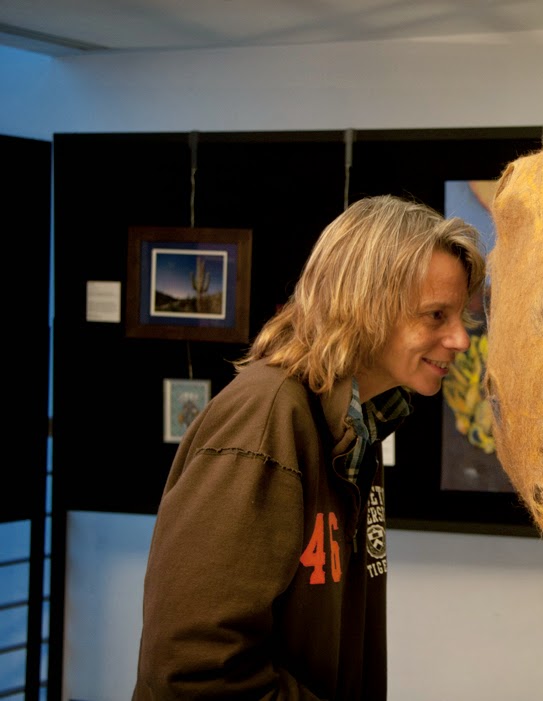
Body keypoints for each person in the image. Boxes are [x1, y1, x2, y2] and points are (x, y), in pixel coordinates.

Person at [133, 195, 486, 700]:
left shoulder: (358, 424)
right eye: (435, 316)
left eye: (459, 316)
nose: (460, 339)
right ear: (366, 305)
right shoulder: (266, 419)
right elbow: (194, 666)